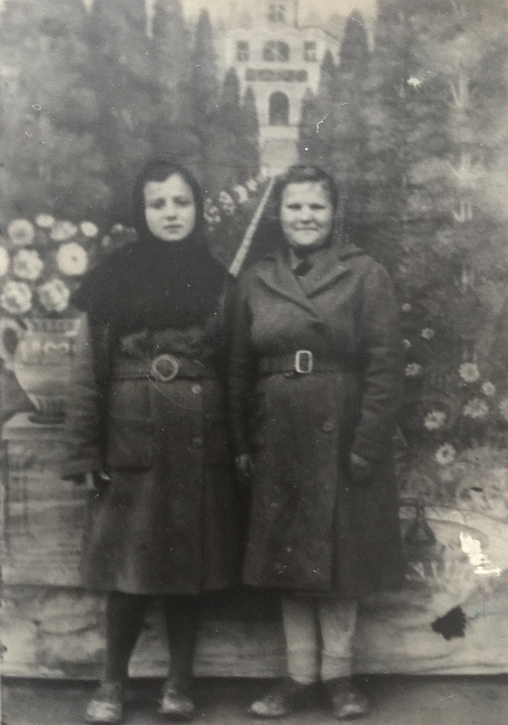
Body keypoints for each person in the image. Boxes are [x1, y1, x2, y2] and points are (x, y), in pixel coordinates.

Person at [62, 160, 240, 723]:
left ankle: (179, 682)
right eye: (158, 203)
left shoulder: (221, 283)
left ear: (197, 209)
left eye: (181, 203)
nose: (170, 214)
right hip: (130, 441)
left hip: (198, 442)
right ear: (141, 211)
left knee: (187, 572)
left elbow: (234, 370)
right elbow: (88, 370)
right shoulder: (111, 279)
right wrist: (86, 450)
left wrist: (235, 447)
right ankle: (112, 682)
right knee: (128, 571)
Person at [229, 165, 405, 720]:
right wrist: (241, 441)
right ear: (278, 215)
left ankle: (340, 674)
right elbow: (237, 367)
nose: (305, 217)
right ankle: (300, 674)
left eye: (316, 207)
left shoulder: (364, 274)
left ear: (334, 213)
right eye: (295, 207)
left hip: (341, 431)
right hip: (276, 433)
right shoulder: (256, 279)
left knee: (339, 557)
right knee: (287, 554)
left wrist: (366, 445)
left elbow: (386, 366)